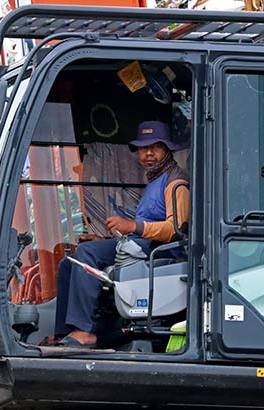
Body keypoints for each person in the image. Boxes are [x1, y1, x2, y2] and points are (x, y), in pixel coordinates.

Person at [52, 121, 189, 348]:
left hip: (156, 251)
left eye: (155, 147)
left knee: (87, 253)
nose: (148, 153)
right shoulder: (156, 179)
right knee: (71, 261)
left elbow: (176, 230)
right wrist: (108, 241)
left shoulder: (176, 182)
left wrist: (132, 226)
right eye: (143, 149)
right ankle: (64, 333)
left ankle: (84, 332)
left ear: (167, 149)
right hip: (138, 246)